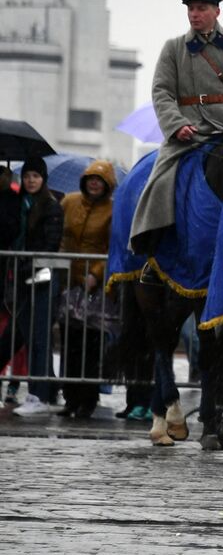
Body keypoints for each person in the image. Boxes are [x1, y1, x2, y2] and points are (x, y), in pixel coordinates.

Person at [128, 0, 223, 270]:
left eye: (201, 9)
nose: (195, 14)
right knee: (161, 178)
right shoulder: (174, 48)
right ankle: (152, 243)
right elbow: (162, 92)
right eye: (191, 9)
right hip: (189, 130)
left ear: (216, 11)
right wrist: (176, 124)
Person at [2, 156, 66, 414]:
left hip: (42, 277)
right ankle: (44, 392)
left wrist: (28, 265)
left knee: (40, 337)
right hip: (22, 276)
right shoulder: (21, 205)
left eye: (35, 176)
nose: (30, 180)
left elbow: (49, 245)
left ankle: (38, 395)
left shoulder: (50, 207)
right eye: (27, 176)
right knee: (29, 335)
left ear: (43, 179)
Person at [57, 160, 118, 418]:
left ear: (107, 185)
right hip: (68, 283)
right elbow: (59, 235)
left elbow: (111, 246)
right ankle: (69, 398)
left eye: (99, 180)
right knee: (69, 344)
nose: (94, 183)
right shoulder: (68, 202)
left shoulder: (113, 210)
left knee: (91, 347)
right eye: (91, 179)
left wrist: (95, 274)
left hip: (94, 286)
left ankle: (87, 400)